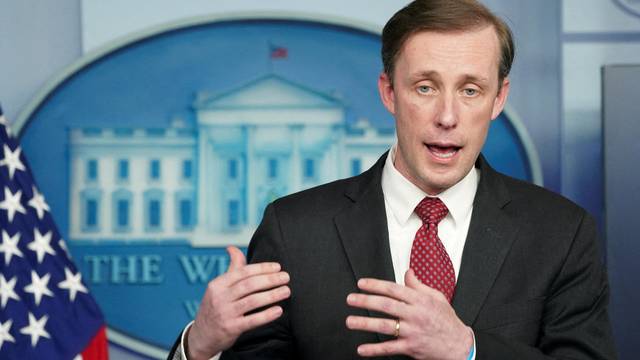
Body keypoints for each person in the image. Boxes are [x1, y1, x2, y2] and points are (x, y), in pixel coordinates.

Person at [170, 0, 617, 359]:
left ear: (499, 98)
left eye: (470, 90)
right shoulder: (294, 230)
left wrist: (468, 350)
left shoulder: (561, 233)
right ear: (389, 92)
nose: (447, 116)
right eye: (425, 87)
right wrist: (200, 347)